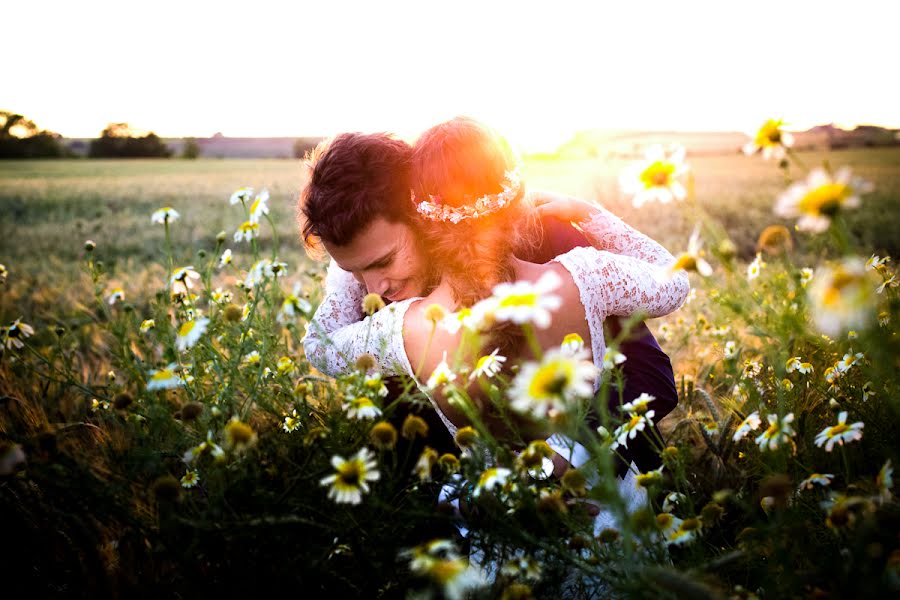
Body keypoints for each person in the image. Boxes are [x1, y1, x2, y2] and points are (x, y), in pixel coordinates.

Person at [299, 126, 680, 476]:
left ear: (421, 215)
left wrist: (567, 463)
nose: (373, 289)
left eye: (382, 261)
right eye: (353, 271)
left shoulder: (548, 236)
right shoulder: (384, 311)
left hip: (610, 482)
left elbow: (651, 377)